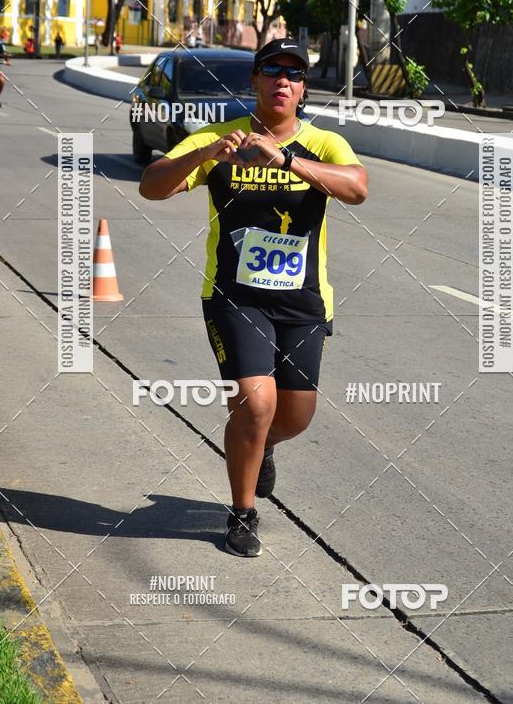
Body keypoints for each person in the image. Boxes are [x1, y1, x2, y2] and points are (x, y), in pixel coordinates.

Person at [139, 38, 368, 557]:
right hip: (234, 297)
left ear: (304, 87)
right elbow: (151, 187)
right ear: (255, 81)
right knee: (254, 400)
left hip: (303, 301)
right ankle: (242, 513)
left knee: (295, 416)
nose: (282, 80)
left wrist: (285, 160)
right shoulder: (218, 138)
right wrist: (203, 154)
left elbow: (357, 188)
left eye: (293, 73)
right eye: (272, 70)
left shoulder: (323, 143)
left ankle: (260, 445)